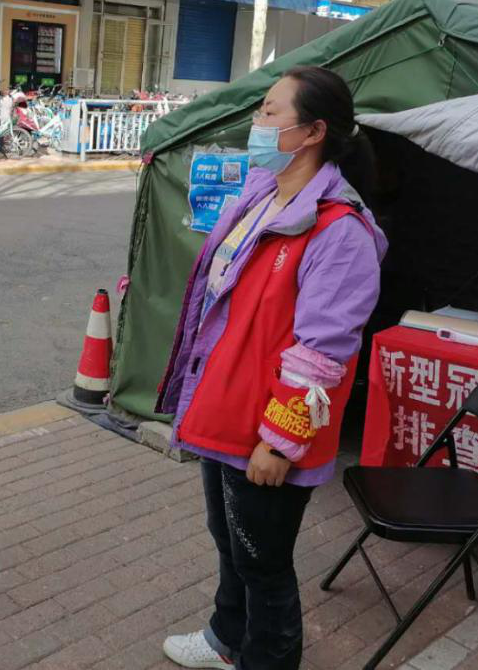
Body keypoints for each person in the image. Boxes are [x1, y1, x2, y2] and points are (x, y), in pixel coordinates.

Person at [157, 66, 388, 670]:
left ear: (312, 131)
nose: (255, 124)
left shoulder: (341, 233)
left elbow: (323, 354)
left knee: (263, 562)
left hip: (269, 429)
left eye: (267, 112)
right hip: (225, 407)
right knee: (229, 541)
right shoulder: (261, 193)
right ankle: (224, 640)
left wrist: (281, 443)